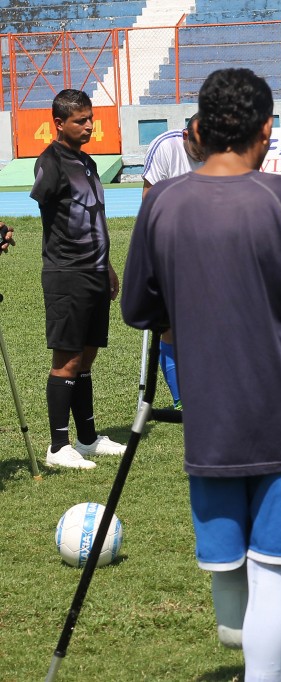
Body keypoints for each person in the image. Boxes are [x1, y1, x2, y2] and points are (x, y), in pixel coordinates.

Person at [121, 68, 281, 680]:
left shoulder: (162, 204)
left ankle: (246, 648)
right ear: (266, 130)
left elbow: (136, 310)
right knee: (273, 574)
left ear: (200, 129)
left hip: (208, 419)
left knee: (230, 571)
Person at [30, 89, 127, 470]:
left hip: (94, 272)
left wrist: (107, 265)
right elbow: (46, 207)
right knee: (67, 359)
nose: (89, 126)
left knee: (86, 357)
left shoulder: (87, 161)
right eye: (80, 120)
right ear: (59, 123)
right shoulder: (51, 161)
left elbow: (93, 219)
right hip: (67, 274)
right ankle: (58, 446)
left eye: (90, 119)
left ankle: (87, 439)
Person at [141, 112, 206, 409]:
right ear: (185, 136)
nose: (204, 155)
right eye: (199, 149)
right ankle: (182, 400)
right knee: (169, 327)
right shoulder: (165, 146)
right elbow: (149, 200)